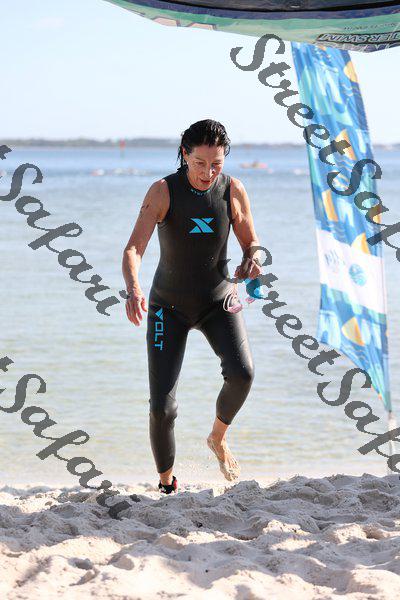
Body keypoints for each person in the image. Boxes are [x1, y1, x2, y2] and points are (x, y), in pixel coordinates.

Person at [122, 119, 263, 494]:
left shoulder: (233, 190)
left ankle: (217, 437)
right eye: (200, 163)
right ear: (185, 155)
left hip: (219, 300)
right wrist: (133, 288)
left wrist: (252, 260)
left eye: (216, 164)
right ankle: (167, 484)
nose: (207, 172)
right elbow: (134, 248)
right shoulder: (163, 191)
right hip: (168, 307)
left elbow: (252, 243)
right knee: (162, 408)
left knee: (243, 374)